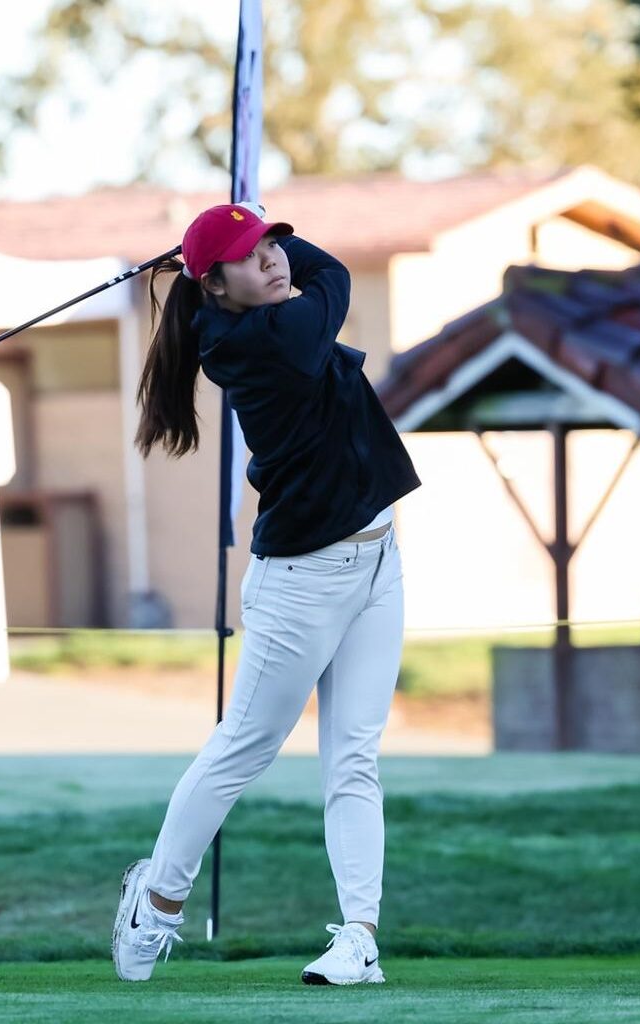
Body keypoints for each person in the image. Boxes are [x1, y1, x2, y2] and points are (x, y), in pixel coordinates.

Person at [112, 203, 421, 986]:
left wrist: (237, 236)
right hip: (302, 584)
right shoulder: (267, 337)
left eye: (274, 245)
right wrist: (218, 249)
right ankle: (156, 904)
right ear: (215, 288)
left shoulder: (248, 312)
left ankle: (360, 939)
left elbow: (296, 268)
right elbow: (333, 272)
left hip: (378, 561)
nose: (275, 260)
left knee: (354, 757)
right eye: (251, 257)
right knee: (243, 748)